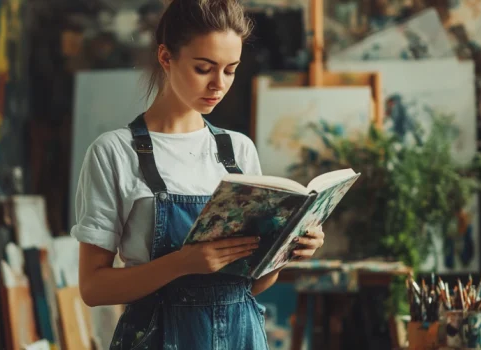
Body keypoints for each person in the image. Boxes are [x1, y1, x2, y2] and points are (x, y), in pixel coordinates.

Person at [71, 0, 325, 349]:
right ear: (165, 57)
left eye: (230, 70)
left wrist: (286, 251)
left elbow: (249, 286)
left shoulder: (238, 151)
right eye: (204, 68)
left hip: (242, 337)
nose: (218, 84)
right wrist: (182, 264)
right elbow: (93, 289)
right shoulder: (114, 152)